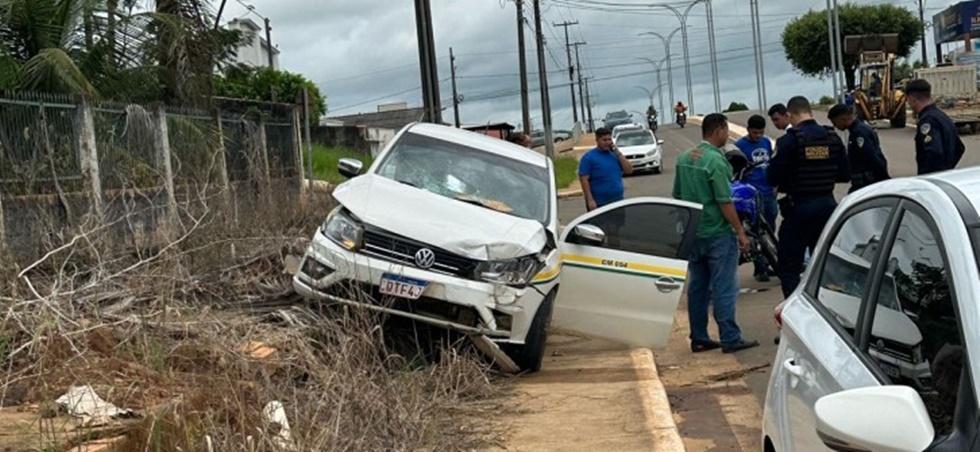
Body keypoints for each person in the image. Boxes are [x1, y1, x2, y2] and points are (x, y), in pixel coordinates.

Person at [672, 113, 758, 354]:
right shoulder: (716, 161)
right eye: (726, 130)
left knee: (698, 286)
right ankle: (730, 337)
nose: (727, 135)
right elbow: (724, 201)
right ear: (719, 130)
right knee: (724, 287)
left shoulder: (684, 158)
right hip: (717, 233)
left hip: (693, 233)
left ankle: (699, 336)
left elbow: (677, 196)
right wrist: (740, 231)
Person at [767, 96, 850, 298]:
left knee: (788, 268)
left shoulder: (788, 141)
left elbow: (772, 177)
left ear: (790, 114)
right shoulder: (832, 137)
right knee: (825, 265)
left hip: (799, 211)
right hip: (828, 207)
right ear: (810, 111)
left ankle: (795, 316)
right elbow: (845, 174)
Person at [733, 114, 777, 282]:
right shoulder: (739, 146)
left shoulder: (766, 143)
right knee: (755, 232)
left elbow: (772, 164)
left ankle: (769, 262)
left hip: (768, 192)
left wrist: (775, 186)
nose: (757, 136)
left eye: (760, 132)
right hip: (752, 195)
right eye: (754, 132)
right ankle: (760, 267)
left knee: (770, 230)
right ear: (748, 130)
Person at [905, 79, 965, 175]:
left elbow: (934, 152)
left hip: (934, 179)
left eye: (908, 100)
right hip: (946, 176)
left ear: (913, 99)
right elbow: (960, 148)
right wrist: (948, 168)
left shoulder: (928, 120)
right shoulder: (941, 116)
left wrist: (929, 175)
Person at [828, 103, 890, 193]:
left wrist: (884, 180)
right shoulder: (857, 130)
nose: (835, 126)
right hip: (865, 183)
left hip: (867, 183)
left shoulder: (859, 133)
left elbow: (871, 157)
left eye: (835, 122)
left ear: (843, 119)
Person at [579, 127, 633, 212]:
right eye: (604, 140)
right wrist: (590, 200)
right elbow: (584, 180)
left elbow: (629, 170)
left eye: (609, 139)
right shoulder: (589, 158)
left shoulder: (615, 155)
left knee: (619, 225)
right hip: (599, 203)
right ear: (597, 140)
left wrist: (618, 153)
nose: (607, 142)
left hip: (617, 201)